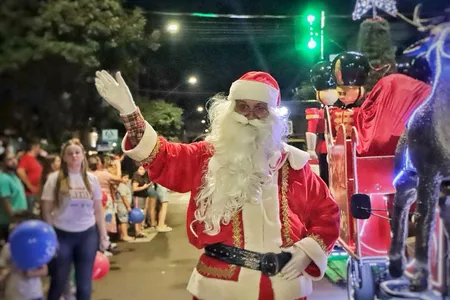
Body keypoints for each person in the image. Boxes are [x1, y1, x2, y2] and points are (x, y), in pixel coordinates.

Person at [95, 70, 340, 300]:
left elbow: (327, 213)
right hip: (220, 287)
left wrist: (307, 251)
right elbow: (163, 157)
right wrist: (131, 115)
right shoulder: (207, 156)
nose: (249, 117)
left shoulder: (294, 164)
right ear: (229, 110)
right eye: (242, 107)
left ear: (273, 115)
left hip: (285, 287)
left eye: (259, 109)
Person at [40, 139, 109, 300]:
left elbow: (98, 209)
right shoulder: (54, 179)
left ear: (83, 155)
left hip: (87, 235)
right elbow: (46, 210)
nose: (74, 156)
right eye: (70, 153)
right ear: (64, 157)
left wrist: (104, 235)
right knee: (59, 281)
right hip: (62, 234)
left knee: (84, 285)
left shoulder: (91, 179)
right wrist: (51, 236)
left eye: (77, 152)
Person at [305, 61, 339, 185]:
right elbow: (311, 129)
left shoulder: (338, 110)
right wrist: (310, 149)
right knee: (325, 172)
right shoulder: (317, 112)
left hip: (337, 145)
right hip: (325, 145)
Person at [0, 210, 47, 300]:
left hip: (34, 294)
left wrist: (31, 273)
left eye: (17, 224)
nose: (12, 226)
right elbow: (3, 267)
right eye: (13, 222)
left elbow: (44, 270)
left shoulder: (36, 248)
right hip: (13, 294)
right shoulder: (8, 247)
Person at [0, 151, 28, 243]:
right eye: (9, 159)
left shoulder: (14, 176)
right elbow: (5, 200)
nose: (14, 161)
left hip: (19, 218)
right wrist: (14, 218)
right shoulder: (3, 178)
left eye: (14, 158)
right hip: (11, 222)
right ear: (2, 163)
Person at [16, 139, 43, 212]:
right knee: (30, 215)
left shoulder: (34, 159)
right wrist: (29, 185)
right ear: (34, 147)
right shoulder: (26, 158)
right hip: (29, 193)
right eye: (39, 147)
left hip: (35, 193)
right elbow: (20, 171)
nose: (40, 149)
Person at [132, 166, 158, 233]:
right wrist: (144, 187)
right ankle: (137, 230)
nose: (142, 171)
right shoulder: (136, 177)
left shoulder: (144, 176)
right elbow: (134, 188)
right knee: (137, 213)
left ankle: (141, 227)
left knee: (143, 212)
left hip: (144, 196)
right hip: (138, 197)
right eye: (140, 169)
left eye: (143, 169)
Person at [116, 173, 133, 241]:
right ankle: (125, 235)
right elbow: (124, 197)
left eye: (127, 178)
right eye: (125, 177)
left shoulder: (122, 186)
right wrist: (128, 206)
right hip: (123, 206)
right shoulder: (122, 186)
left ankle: (121, 235)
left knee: (122, 221)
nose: (127, 179)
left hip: (121, 205)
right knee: (124, 221)